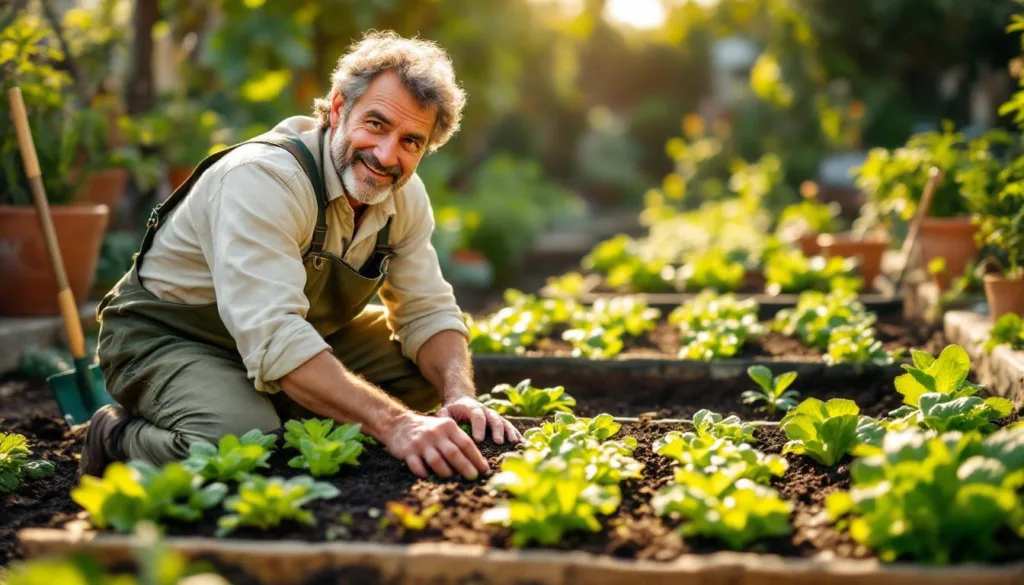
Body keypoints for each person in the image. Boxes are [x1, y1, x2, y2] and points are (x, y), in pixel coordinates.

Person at [79, 31, 521, 482]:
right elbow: (274, 334)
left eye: (411, 141)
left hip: (276, 340)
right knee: (237, 442)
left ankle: (271, 402)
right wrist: (397, 423)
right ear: (337, 109)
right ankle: (117, 438)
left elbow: (427, 309)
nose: (387, 155)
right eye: (376, 124)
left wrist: (458, 394)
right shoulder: (265, 179)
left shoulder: (402, 198)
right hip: (168, 340)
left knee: (426, 374)